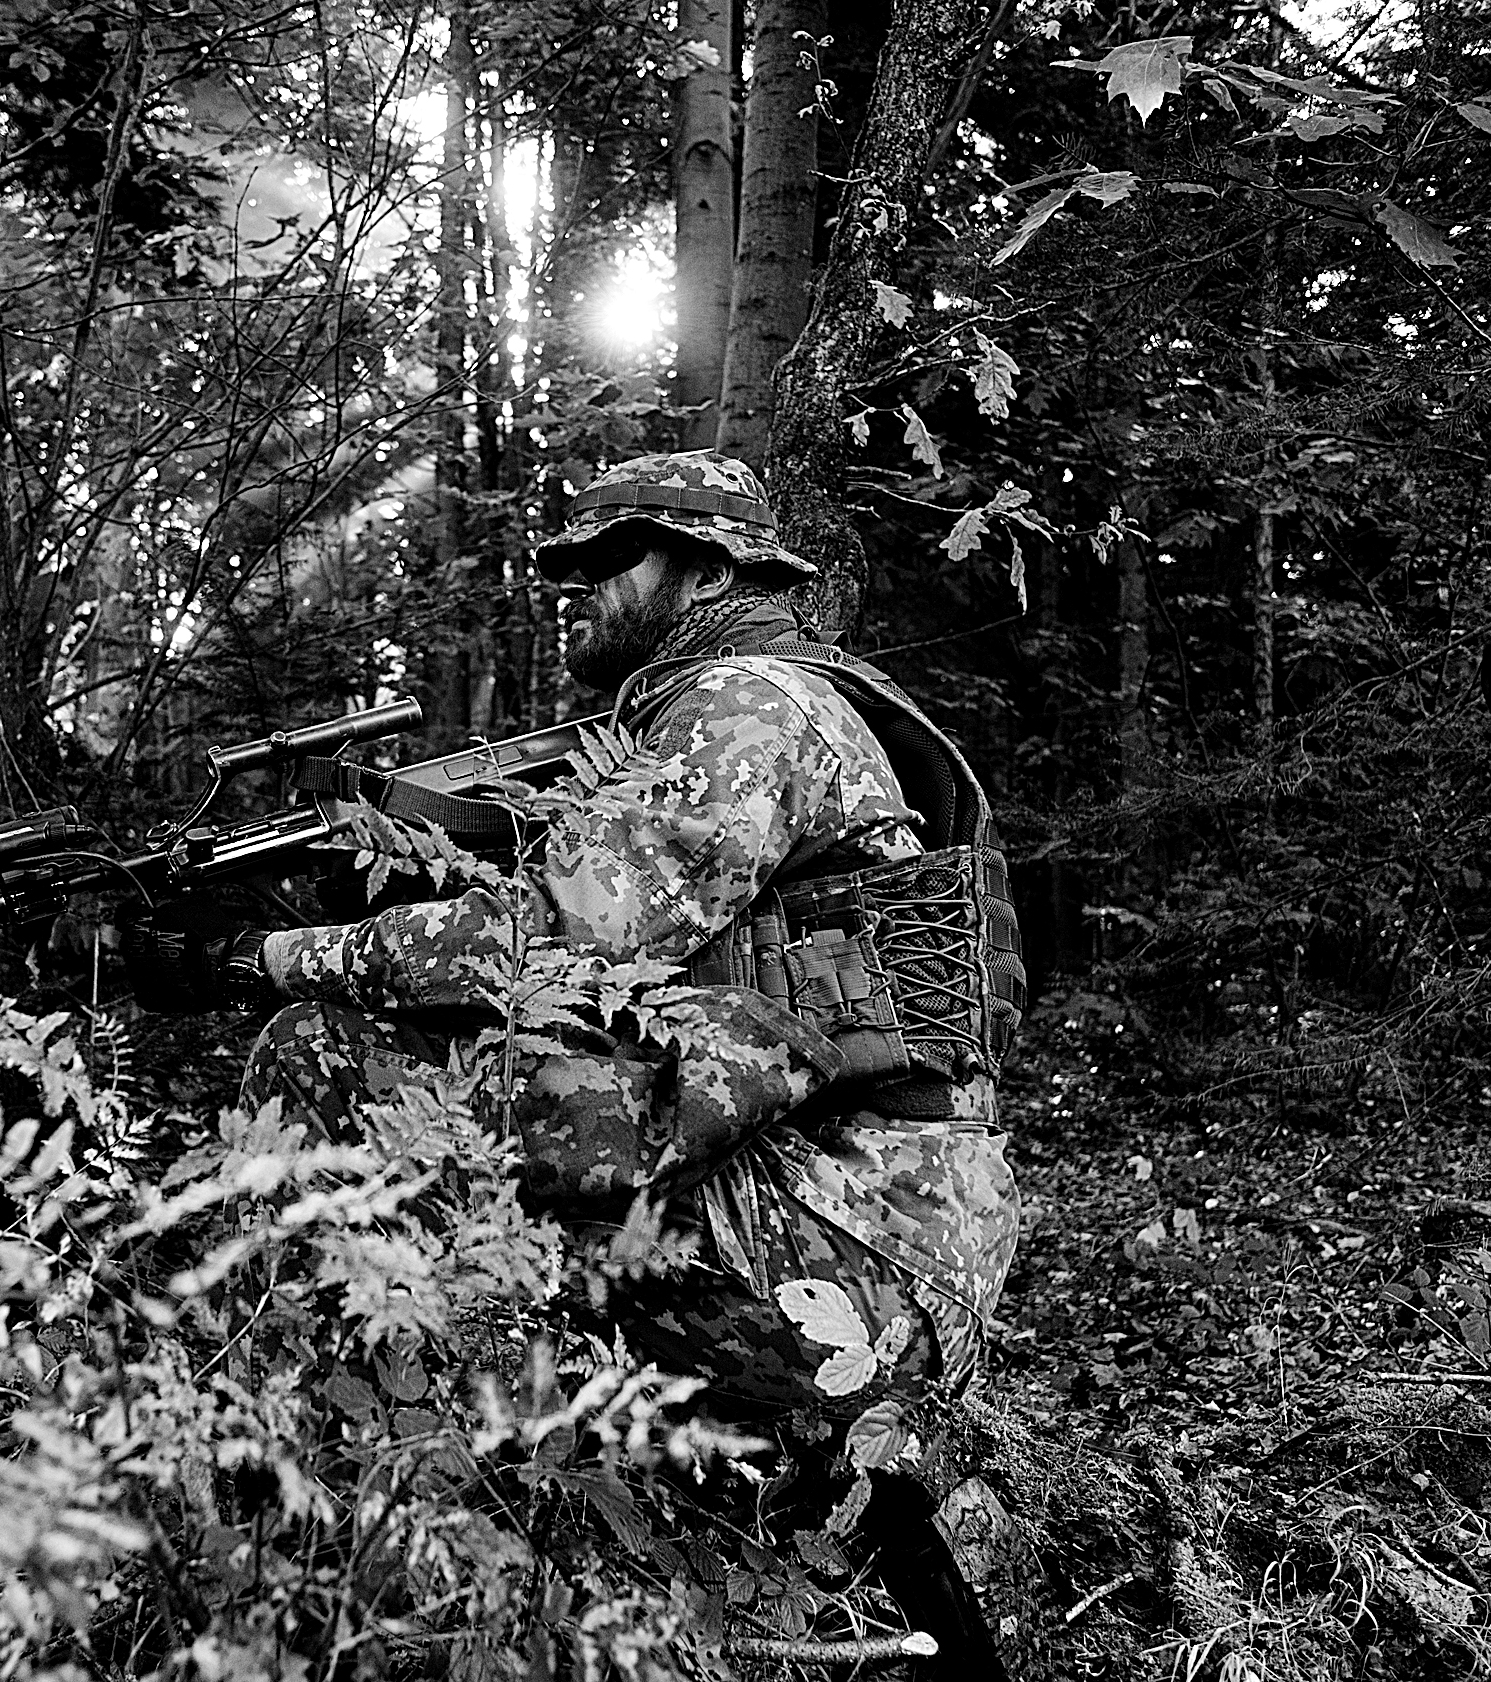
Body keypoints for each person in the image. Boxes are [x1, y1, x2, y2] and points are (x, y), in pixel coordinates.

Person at [129, 450, 1031, 1673]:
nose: (586, 587)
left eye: (620, 558)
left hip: (847, 1249)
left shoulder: (746, 701)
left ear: (709, 567)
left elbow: (558, 938)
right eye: (579, 563)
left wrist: (277, 952)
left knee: (319, 1055)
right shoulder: (761, 704)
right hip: (878, 1246)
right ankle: (466, 1451)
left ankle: (304, 1481)